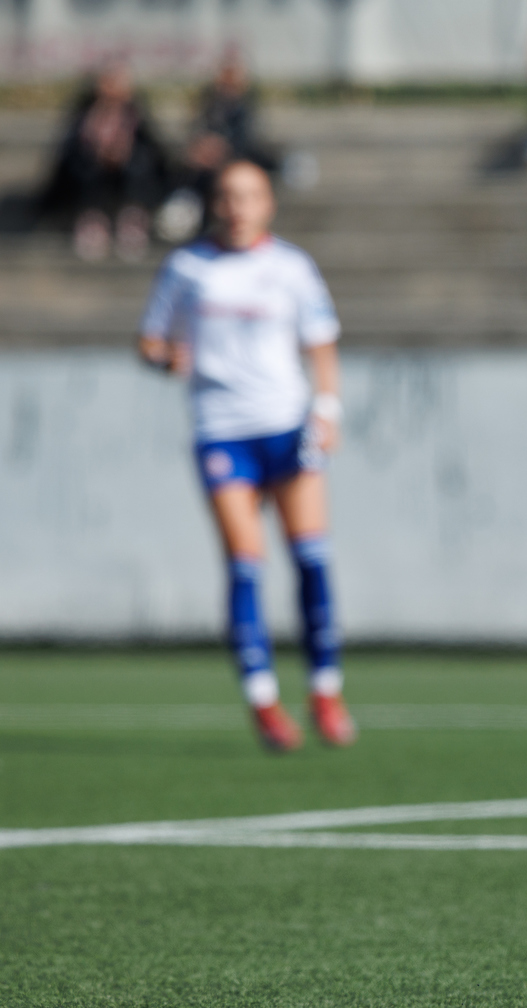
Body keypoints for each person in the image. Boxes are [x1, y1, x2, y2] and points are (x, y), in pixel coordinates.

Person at [138, 160, 357, 753]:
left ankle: (325, 691)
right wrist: (165, 360)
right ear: (214, 203)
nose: (238, 206)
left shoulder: (291, 266)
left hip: (287, 427)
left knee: (312, 556)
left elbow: (321, 345)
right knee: (244, 562)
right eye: (228, 195)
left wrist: (327, 411)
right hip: (222, 431)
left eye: (250, 195)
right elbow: (151, 339)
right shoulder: (187, 267)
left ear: (267, 204)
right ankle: (263, 701)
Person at [39, 59, 168, 262]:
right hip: (90, 170)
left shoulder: (136, 111)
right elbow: (67, 147)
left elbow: (154, 147)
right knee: (86, 167)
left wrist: (123, 153)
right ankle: (91, 221)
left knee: (139, 165)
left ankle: (133, 219)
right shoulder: (85, 110)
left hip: (127, 172)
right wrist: (96, 151)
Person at [158, 48, 278, 245]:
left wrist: (221, 150)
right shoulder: (209, 104)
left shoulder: (244, 108)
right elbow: (196, 132)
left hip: (232, 161)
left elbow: (247, 141)